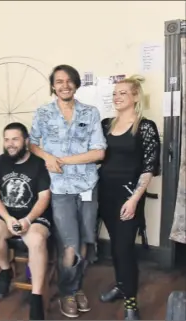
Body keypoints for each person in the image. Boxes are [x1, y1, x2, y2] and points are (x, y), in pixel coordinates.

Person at [29, 64, 107, 318]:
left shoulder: (91, 112)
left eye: (69, 81)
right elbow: (31, 144)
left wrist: (62, 160)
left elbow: (99, 152)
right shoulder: (43, 113)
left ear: (75, 84)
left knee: (85, 241)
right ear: (53, 86)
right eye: (59, 81)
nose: (64, 85)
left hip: (87, 186)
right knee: (69, 244)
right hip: (60, 188)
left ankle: (76, 286)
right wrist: (48, 157)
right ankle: (66, 290)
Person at [98, 75, 160, 320]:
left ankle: (131, 303)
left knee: (124, 248)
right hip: (106, 194)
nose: (117, 97)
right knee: (115, 245)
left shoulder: (145, 126)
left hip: (128, 196)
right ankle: (121, 285)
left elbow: (148, 168)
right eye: (115, 93)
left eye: (123, 93)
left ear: (135, 96)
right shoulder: (105, 124)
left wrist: (134, 199)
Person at [0, 122, 52, 320]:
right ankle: (6, 270)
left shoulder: (39, 164)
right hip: (6, 215)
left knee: (37, 240)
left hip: (35, 217)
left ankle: (36, 297)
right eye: (6, 140)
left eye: (15, 139)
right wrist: (7, 218)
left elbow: (44, 198)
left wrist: (28, 220)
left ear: (26, 141)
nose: (10, 144)